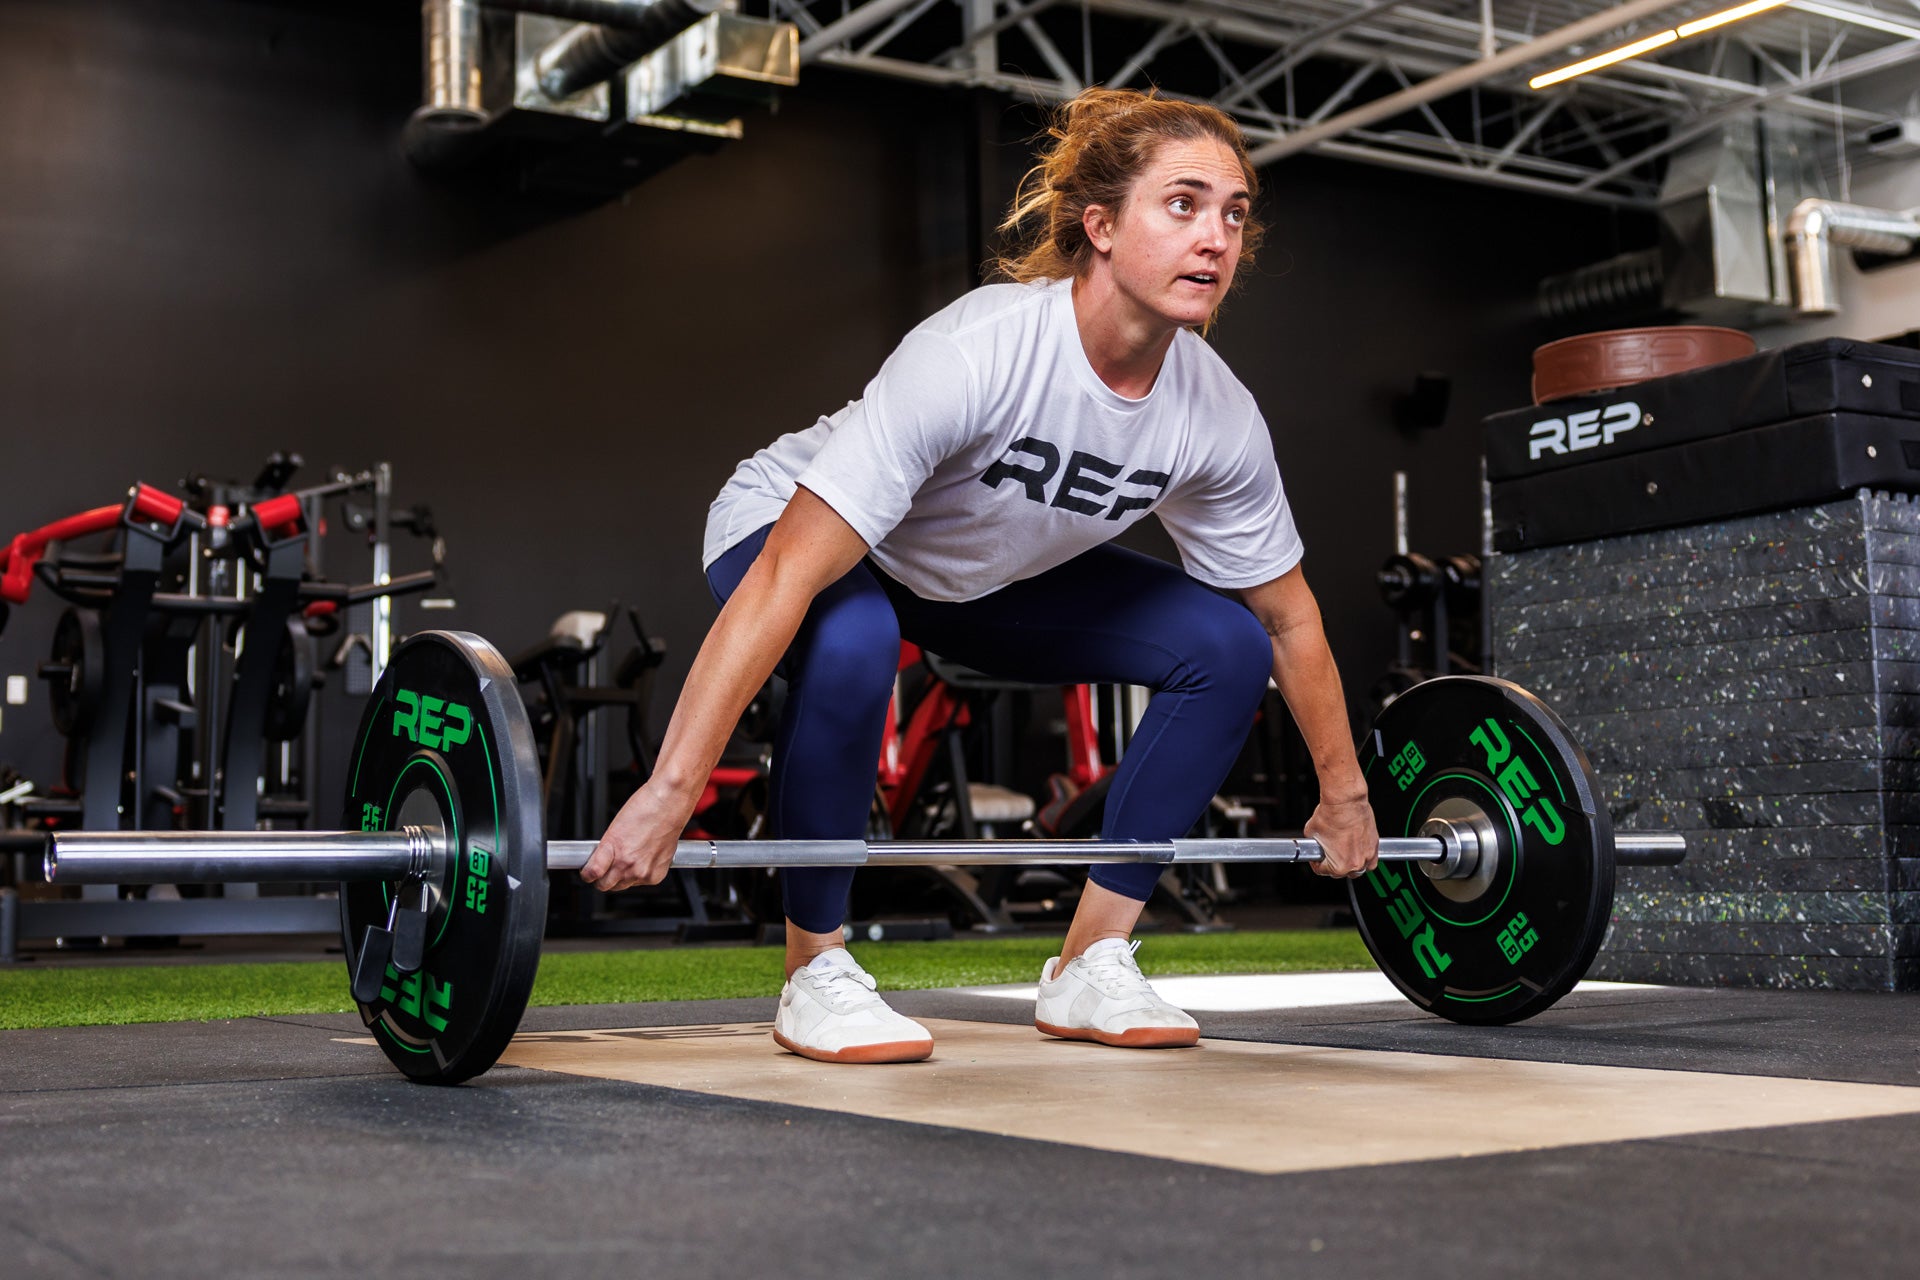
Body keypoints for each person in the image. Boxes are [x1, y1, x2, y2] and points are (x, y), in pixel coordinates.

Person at [580, 87, 1379, 1064]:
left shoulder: (1215, 415)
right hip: (788, 528)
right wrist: (673, 787)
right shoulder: (979, 351)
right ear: (1099, 225)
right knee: (854, 632)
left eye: (1234, 211)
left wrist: (1344, 795)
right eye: (1182, 203)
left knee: (1223, 642)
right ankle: (812, 970)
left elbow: (1292, 622)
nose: (1215, 235)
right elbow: (788, 573)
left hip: (974, 581)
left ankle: (1092, 960)